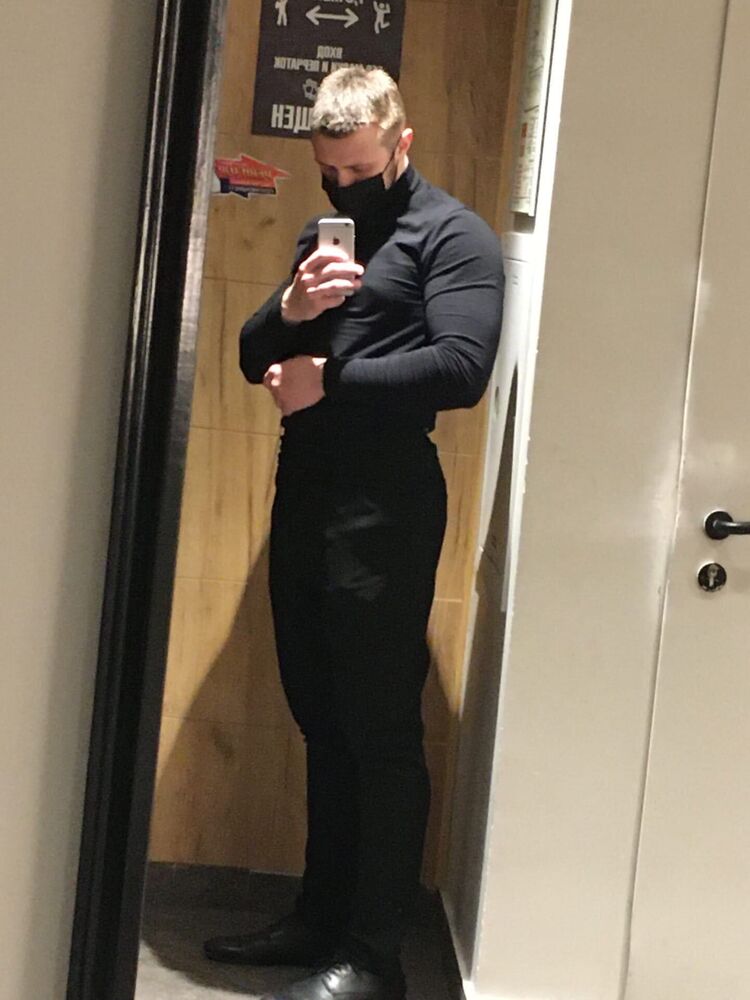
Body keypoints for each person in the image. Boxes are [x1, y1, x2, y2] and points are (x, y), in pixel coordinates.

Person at [204, 66, 504, 1000]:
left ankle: (375, 961)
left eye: (361, 169)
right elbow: (253, 353)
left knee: (377, 732)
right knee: (321, 718)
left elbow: (461, 369)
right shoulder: (324, 234)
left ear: (401, 142)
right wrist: (294, 310)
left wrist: (330, 381)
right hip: (306, 492)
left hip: (388, 502)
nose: (343, 186)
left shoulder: (454, 237)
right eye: (329, 171)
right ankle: (320, 921)